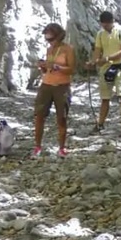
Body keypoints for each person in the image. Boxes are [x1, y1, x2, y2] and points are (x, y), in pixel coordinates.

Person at [33, 23, 76, 158]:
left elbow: (71, 69)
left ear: (59, 36)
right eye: (47, 39)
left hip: (62, 86)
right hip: (46, 85)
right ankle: (37, 147)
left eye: (51, 39)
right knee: (39, 116)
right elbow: (48, 69)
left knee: (61, 117)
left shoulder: (67, 49)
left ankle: (62, 148)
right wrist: (43, 67)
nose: (49, 42)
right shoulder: (49, 50)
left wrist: (57, 67)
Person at [91, 11, 121, 134]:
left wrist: (107, 58)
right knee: (105, 97)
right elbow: (98, 50)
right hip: (105, 68)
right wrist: (94, 62)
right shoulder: (100, 34)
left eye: (107, 24)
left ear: (113, 21)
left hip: (120, 66)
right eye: (103, 24)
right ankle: (100, 123)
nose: (105, 26)